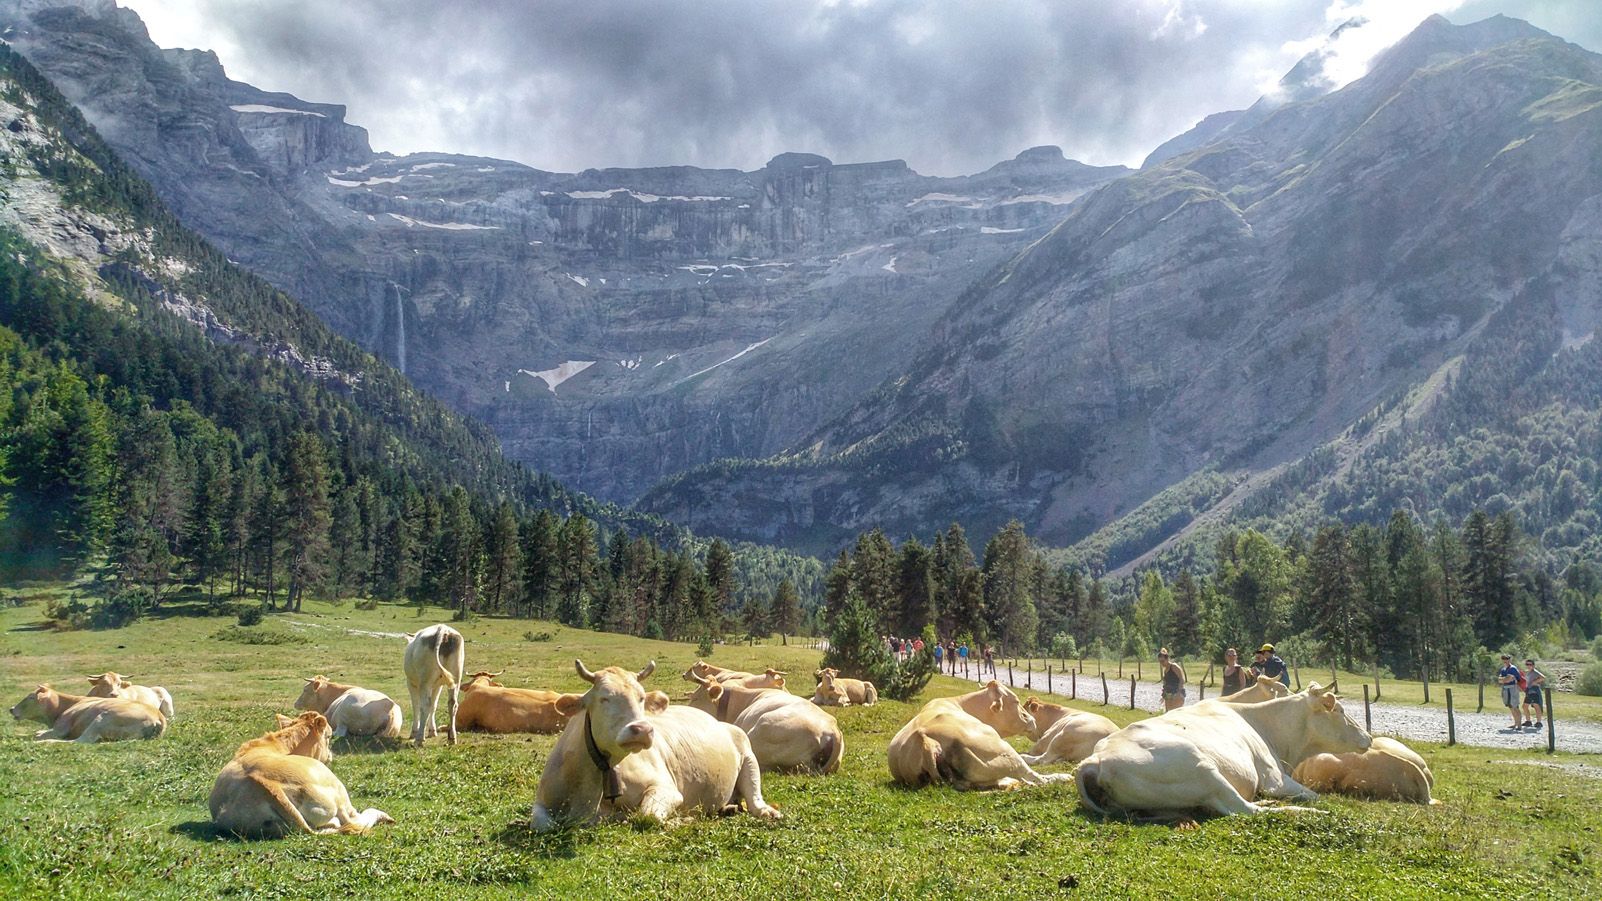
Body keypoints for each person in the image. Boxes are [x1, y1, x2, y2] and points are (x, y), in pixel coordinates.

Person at [1496, 653, 1522, 729]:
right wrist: (1505, 679)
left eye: (1507, 659)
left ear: (1509, 659)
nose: (1505, 660)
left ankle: (1519, 725)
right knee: (1510, 706)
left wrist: (1504, 679)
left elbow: (1509, 679)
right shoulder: (1503, 669)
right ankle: (1515, 723)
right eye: (1503, 659)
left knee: (1515, 706)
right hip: (1506, 688)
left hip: (1513, 688)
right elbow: (1500, 680)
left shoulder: (1513, 668)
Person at [1521, 658, 1547, 729]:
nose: (1528, 666)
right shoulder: (1528, 672)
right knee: (1525, 706)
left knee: (1536, 705)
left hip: (1535, 690)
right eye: (1527, 664)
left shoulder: (1535, 672)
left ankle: (1539, 722)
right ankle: (1528, 721)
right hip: (1529, 690)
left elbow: (1543, 677)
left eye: (1530, 664)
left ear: (1533, 665)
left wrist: (1535, 682)